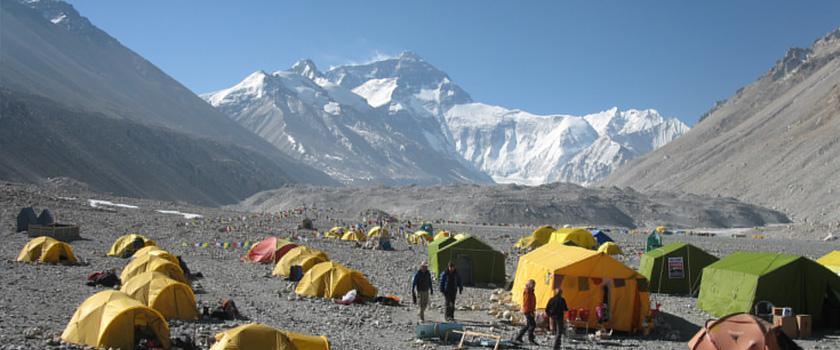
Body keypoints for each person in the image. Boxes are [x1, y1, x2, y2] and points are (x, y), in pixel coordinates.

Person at [514, 279, 538, 345]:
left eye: (534, 285)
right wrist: (530, 311)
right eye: (533, 285)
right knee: (532, 324)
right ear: (530, 285)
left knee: (528, 325)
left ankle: (519, 337)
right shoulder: (528, 291)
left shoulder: (530, 291)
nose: (534, 286)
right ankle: (531, 340)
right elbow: (527, 303)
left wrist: (532, 310)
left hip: (529, 310)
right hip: (528, 310)